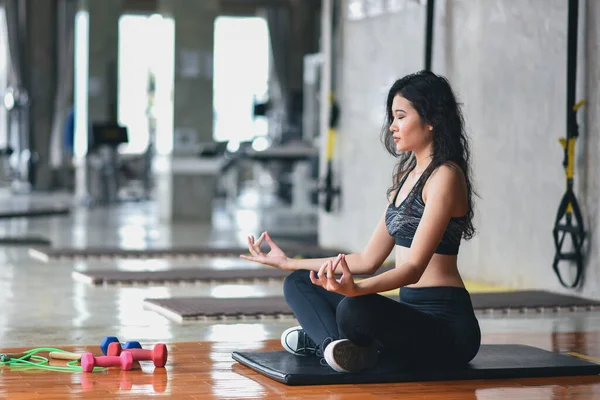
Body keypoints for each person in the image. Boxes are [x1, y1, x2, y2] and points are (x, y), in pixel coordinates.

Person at [241, 70, 481, 373]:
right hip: (408, 317)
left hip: (445, 328)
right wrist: (290, 262)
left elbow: (412, 269)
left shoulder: (445, 176)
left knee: (355, 307)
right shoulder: (405, 179)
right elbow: (367, 259)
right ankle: (335, 347)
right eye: (392, 117)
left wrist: (356, 290)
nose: (392, 126)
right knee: (300, 283)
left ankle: (330, 339)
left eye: (401, 116)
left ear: (431, 121)